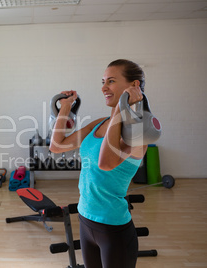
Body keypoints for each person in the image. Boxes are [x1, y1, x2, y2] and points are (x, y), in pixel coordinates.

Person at [50, 59, 147, 268]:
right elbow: (57, 146)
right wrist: (65, 108)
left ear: (134, 86)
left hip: (113, 229)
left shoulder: (138, 134)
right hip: (85, 219)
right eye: (103, 81)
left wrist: (124, 108)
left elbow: (105, 163)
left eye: (111, 81)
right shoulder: (100, 123)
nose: (103, 88)